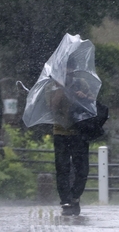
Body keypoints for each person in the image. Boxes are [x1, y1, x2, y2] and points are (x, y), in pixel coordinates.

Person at [47, 75, 94, 216]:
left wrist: (84, 96)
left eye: (70, 70)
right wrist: (60, 91)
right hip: (60, 132)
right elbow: (51, 108)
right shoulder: (51, 86)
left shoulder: (81, 82)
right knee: (62, 167)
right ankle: (66, 201)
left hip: (79, 131)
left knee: (82, 169)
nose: (67, 74)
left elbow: (93, 101)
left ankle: (75, 197)